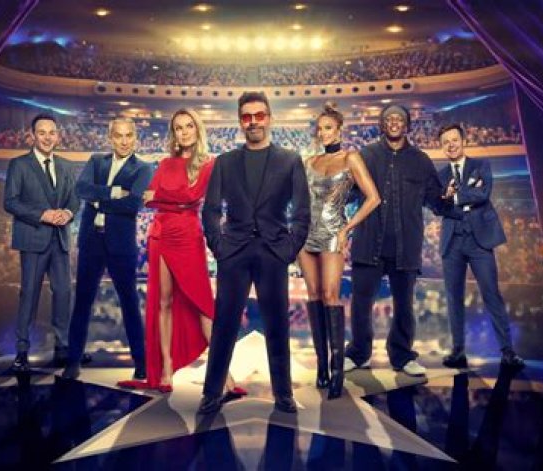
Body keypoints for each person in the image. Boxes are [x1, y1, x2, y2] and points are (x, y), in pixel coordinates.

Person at [115, 109, 246, 396]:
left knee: (202, 305)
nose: (184, 132)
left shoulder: (209, 164)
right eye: (178, 128)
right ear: (173, 133)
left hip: (188, 236)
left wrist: (163, 198)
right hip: (161, 233)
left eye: (188, 126)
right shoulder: (165, 163)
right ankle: (165, 368)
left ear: (197, 130)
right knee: (163, 302)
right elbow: (148, 200)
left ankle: (224, 374)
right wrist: (169, 201)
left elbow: (192, 197)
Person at [197, 92, 310, 415]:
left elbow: (302, 211)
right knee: (224, 325)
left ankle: (283, 393)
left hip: (273, 251)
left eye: (259, 116)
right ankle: (212, 392)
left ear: (269, 118)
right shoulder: (225, 161)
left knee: (277, 325)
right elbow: (211, 210)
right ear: (240, 121)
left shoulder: (290, 160)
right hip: (234, 252)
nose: (253, 122)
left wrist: (288, 249)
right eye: (247, 117)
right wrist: (219, 247)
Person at [345, 104, 452, 377]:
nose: (394, 122)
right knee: (360, 303)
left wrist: (448, 197)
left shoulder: (421, 160)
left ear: (407, 126)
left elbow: (435, 202)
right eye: (389, 118)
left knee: (404, 305)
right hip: (368, 243)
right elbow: (349, 193)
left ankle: (402, 356)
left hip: (406, 246)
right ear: (382, 125)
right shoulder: (366, 155)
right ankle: (358, 354)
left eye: (399, 119)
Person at [298, 102, 380, 399]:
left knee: (331, 295)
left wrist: (347, 229)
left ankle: (337, 371)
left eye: (328, 128)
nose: (323, 133)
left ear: (339, 130)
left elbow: (373, 198)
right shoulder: (309, 161)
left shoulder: (351, 158)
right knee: (314, 295)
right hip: (306, 234)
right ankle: (321, 367)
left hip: (334, 231)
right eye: (320, 129)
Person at [62, 118, 153, 380]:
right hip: (91, 242)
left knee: (130, 303)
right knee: (82, 302)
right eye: (119, 136)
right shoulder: (96, 161)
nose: (124, 141)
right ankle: (73, 361)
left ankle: (141, 362)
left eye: (128, 136)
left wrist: (97, 200)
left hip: (120, 245)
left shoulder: (143, 168)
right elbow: (81, 189)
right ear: (110, 138)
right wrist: (114, 193)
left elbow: (133, 204)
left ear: (135, 138)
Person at [437, 124, 525, 370]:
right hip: (452, 242)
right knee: (453, 297)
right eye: (446, 142)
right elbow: (437, 205)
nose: (451, 145)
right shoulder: (440, 176)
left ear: (463, 141)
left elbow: (483, 194)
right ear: (442, 147)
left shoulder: (481, 165)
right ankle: (458, 351)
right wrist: (451, 196)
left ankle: (508, 352)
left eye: (454, 140)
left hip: (479, 241)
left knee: (491, 294)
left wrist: (454, 196)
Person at [4, 114, 79, 372]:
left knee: (64, 293)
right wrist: (42, 215)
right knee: (29, 294)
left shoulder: (67, 166)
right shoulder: (19, 165)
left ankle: (63, 346)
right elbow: (10, 202)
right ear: (33, 136)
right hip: (33, 239)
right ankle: (22, 351)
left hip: (60, 239)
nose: (47, 137)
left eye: (52, 132)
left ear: (58, 136)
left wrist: (68, 213)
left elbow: (75, 199)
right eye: (42, 132)